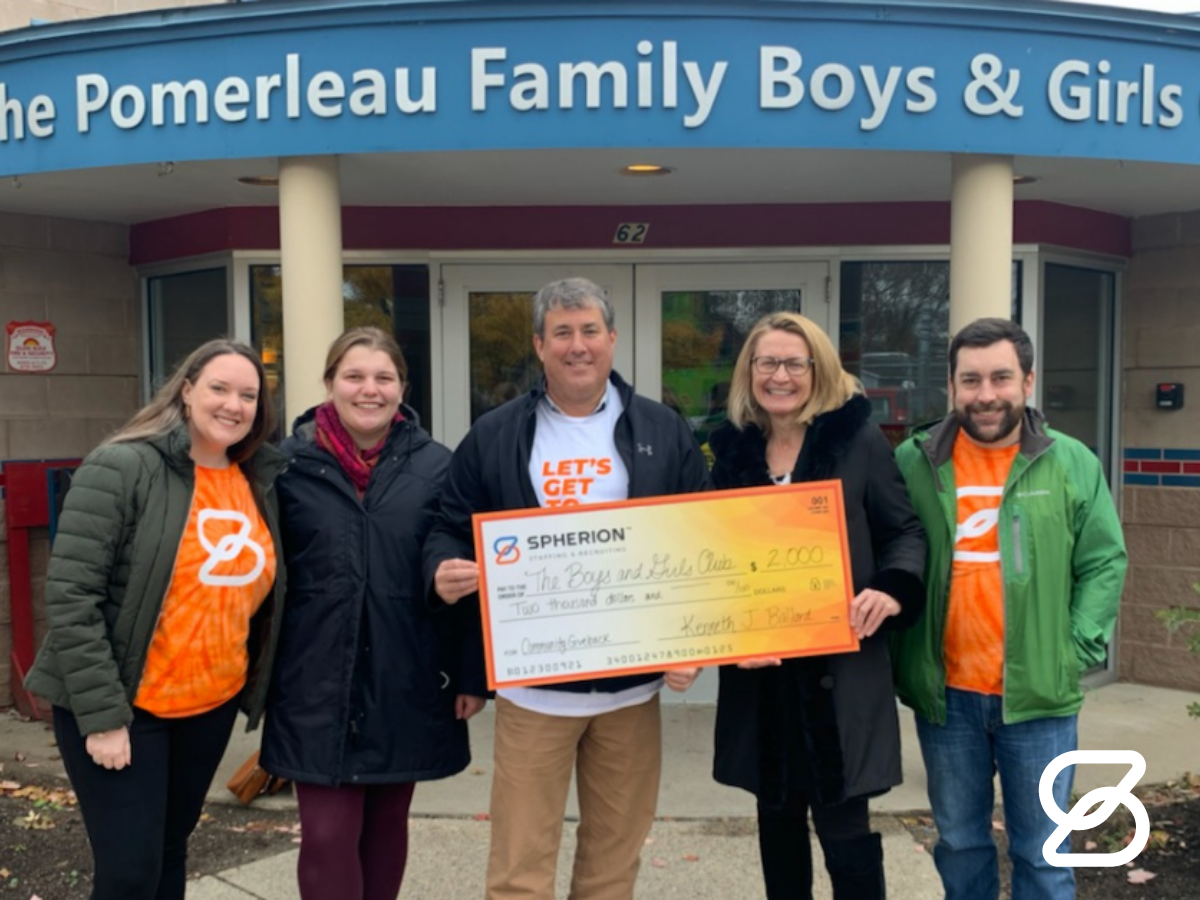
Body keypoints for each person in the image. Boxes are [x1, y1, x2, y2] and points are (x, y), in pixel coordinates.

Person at [424, 277, 712, 900]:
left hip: (631, 692)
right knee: (519, 872)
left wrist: (693, 643)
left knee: (613, 866)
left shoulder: (663, 428)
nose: (576, 346)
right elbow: (449, 525)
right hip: (535, 695)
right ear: (539, 344)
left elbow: (699, 542)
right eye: (562, 333)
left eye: (588, 331)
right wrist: (442, 568)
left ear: (612, 338)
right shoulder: (496, 433)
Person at [24, 339, 286, 900]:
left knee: (169, 858)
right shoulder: (123, 465)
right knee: (129, 875)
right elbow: (71, 597)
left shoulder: (257, 481)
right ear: (186, 389)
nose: (233, 405)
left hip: (207, 707)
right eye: (219, 388)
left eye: (248, 394)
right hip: (125, 707)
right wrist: (102, 718)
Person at [891, 317, 1128, 900]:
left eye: (1000, 377)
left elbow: (1104, 561)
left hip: (1039, 701)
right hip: (947, 698)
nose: (985, 394)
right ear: (951, 386)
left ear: (1027, 381)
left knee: (1044, 855)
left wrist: (1075, 650)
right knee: (960, 845)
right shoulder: (914, 461)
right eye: (970, 380)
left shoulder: (1071, 462)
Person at [705, 312, 927, 900]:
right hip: (763, 678)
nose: (780, 376)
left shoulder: (855, 443)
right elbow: (708, 559)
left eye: (794, 363)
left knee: (846, 829)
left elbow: (904, 532)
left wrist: (891, 587)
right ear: (749, 371)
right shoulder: (728, 454)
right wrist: (728, 635)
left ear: (817, 370)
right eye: (767, 362)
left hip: (842, 673)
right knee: (777, 826)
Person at [260, 327, 484, 900]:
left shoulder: (439, 466)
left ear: (402, 387)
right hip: (312, 678)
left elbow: (463, 571)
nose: (369, 389)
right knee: (328, 834)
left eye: (383, 377)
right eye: (354, 376)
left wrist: (469, 675)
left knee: (386, 827)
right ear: (329, 383)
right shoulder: (283, 468)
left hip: (405, 673)